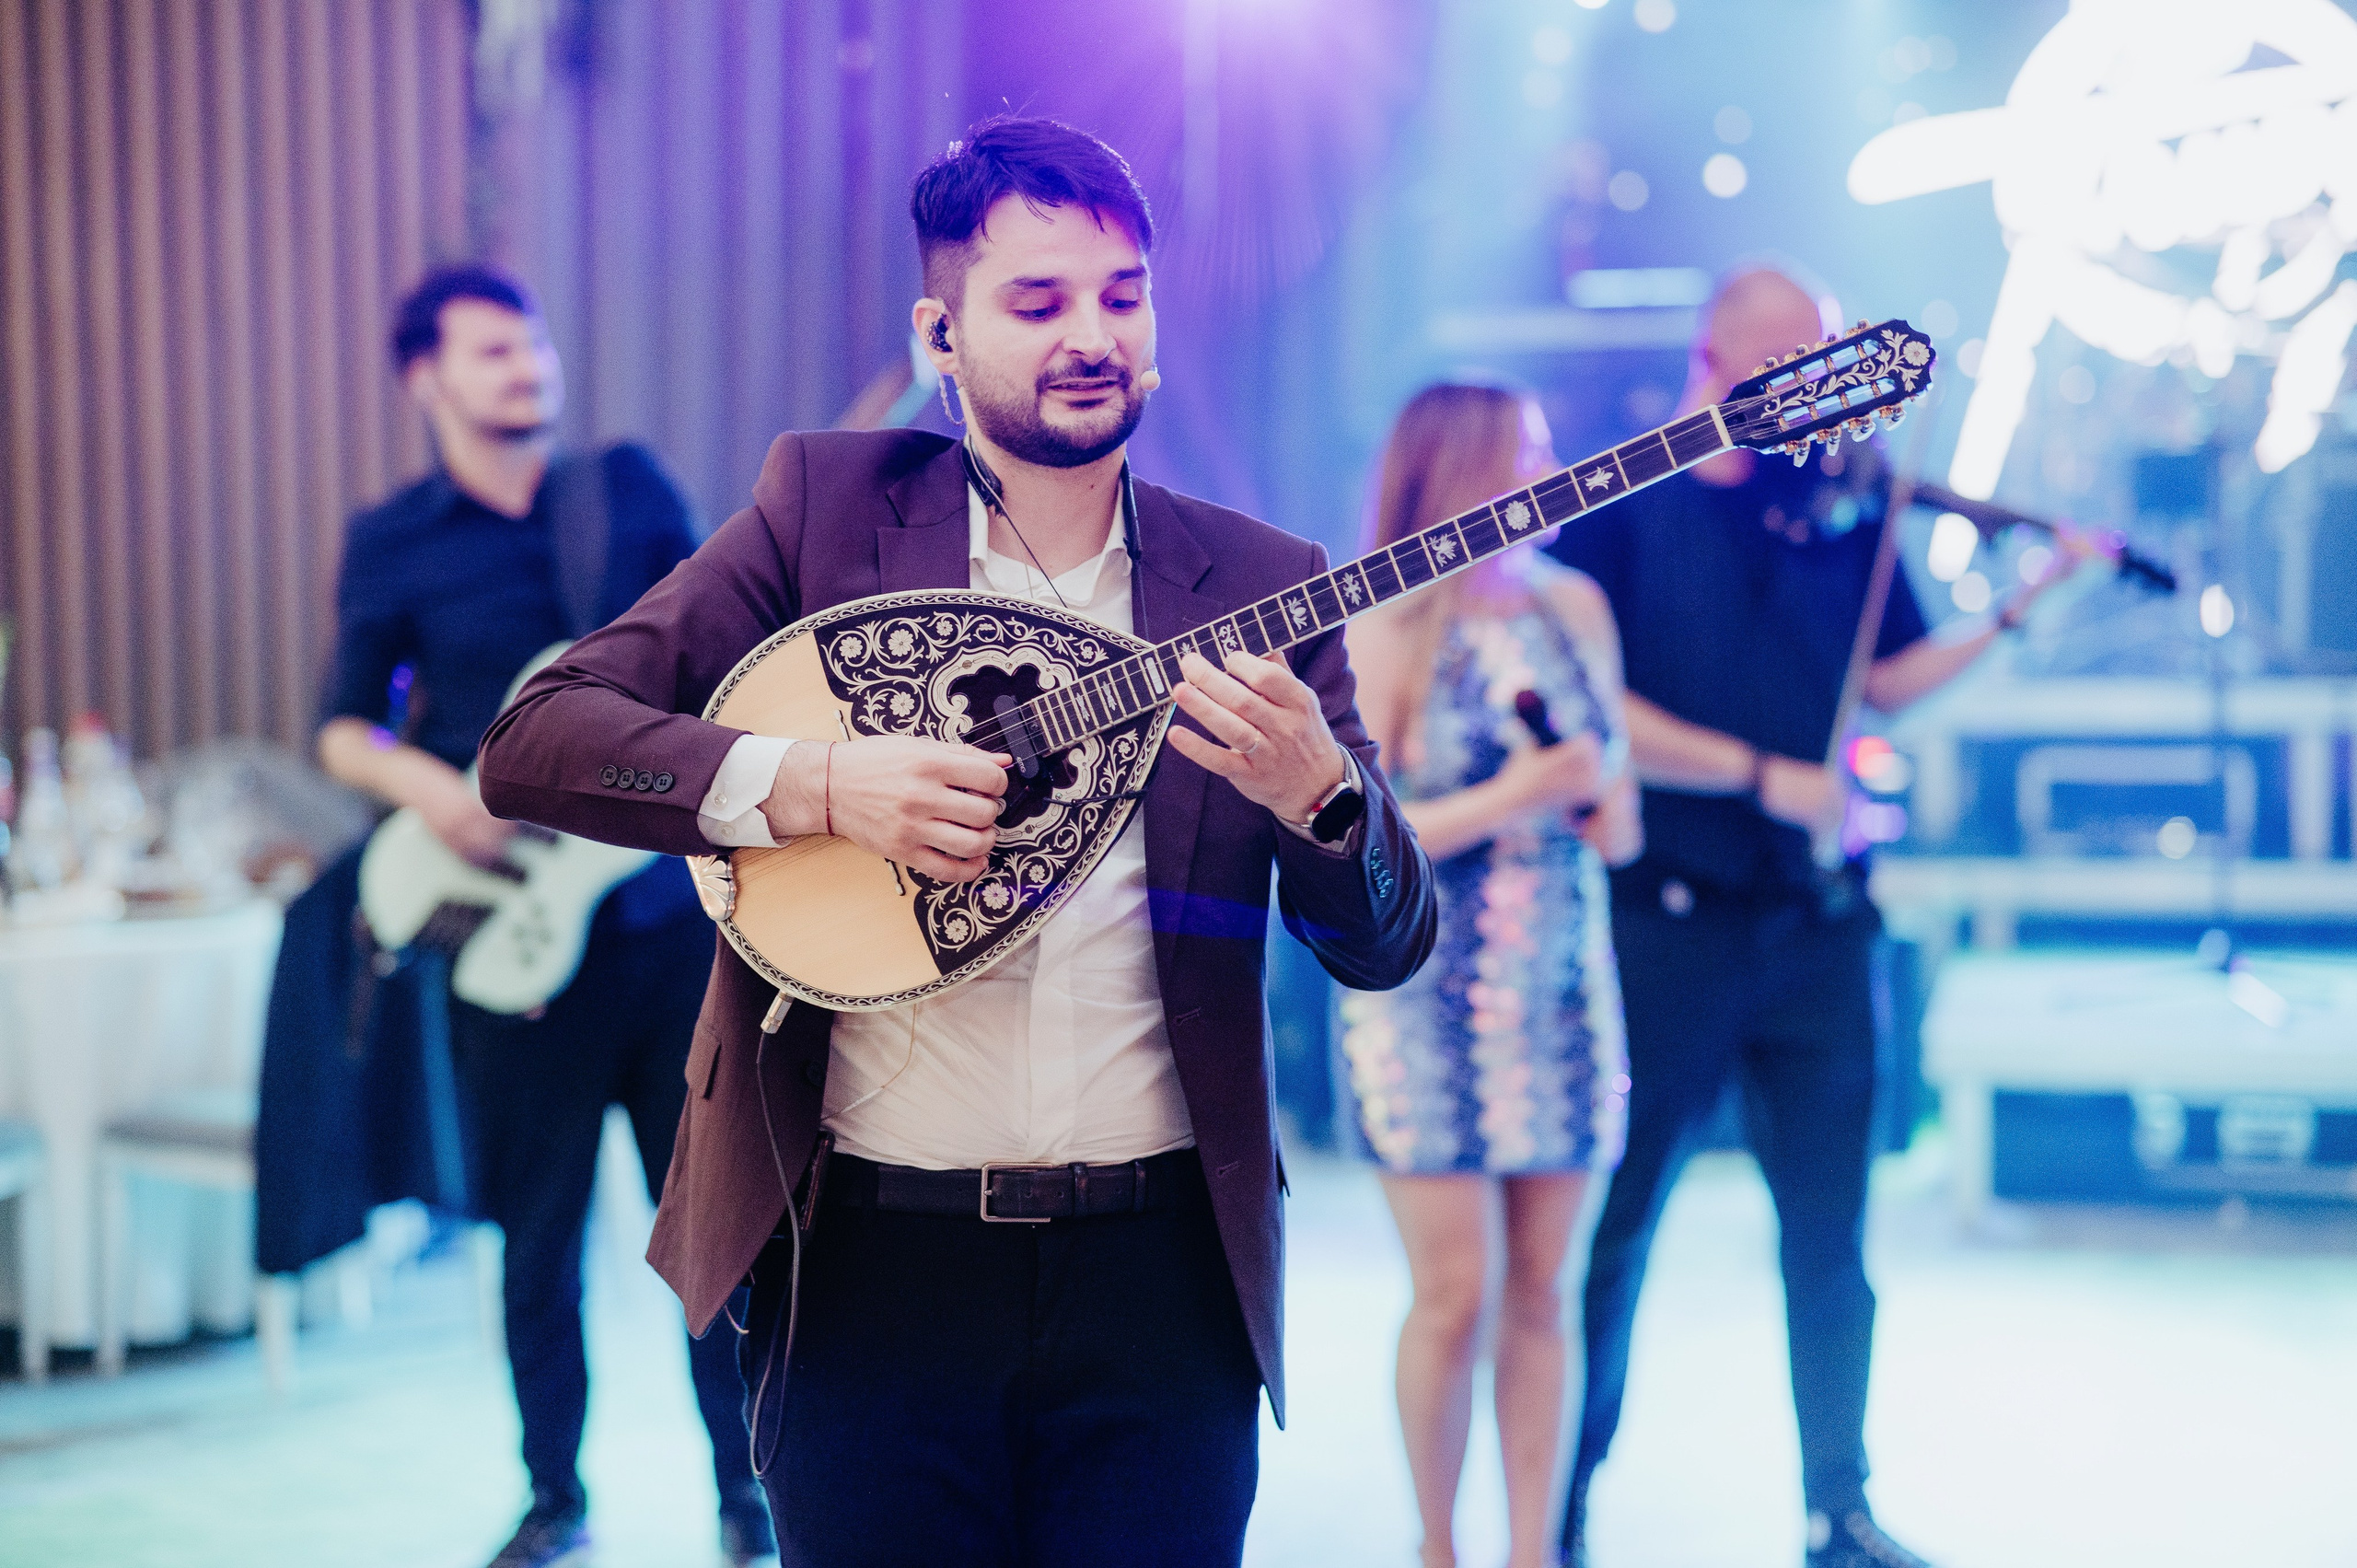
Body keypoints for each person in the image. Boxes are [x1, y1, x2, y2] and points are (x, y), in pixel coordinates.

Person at [474, 116, 1438, 1567]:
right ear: (942, 329)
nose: (1090, 334)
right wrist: (814, 784)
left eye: (1121, 293)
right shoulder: (825, 516)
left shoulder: (1257, 581)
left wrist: (1326, 799)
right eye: (1037, 302)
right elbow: (539, 736)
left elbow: (1386, 942)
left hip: (1162, 1278)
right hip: (870, 1266)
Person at [1546, 265, 2081, 1568]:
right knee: (1612, 1234)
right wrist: (1757, 771)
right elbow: (1590, 705)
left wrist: (2016, 606)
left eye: (1826, 358)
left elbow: (1889, 679)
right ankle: (1554, 1510)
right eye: (1787, 358)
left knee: (1833, 1239)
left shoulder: (1847, 509)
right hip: (1658, 921)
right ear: (1712, 357)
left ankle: (1838, 1508)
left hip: (1817, 924)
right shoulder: (1621, 510)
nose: (1814, 383)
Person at [317, 266, 772, 1568]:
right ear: (429, 377)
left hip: (663, 917)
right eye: (494, 349)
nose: (529, 365)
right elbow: (343, 721)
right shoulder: (393, 536)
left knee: (717, 1231)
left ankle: (746, 1498)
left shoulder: (623, 491)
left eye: (536, 343)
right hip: (515, 931)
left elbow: (730, 652)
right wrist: (433, 792)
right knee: (535, 1236)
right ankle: (553, 1493)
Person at [1334, 383, 1640, 1568]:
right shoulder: (1382, 621)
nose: (1551, 473)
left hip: (1564, 984)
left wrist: (1598, 796)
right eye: (1528, 454)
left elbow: (1618, 821)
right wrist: (1521, 791)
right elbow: (1367, 833)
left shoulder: (1577, 609)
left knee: (1545, 1292)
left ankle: (1533, 1550)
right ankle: (1436, 1546)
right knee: (1454, 1292)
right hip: (1420, 997)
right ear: (1455, 473)